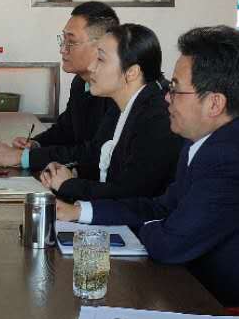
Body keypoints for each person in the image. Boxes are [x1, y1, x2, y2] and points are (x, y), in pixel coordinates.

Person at [76, 26, 239, 313]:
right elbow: (162, 208)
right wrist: (80, 211)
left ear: (214, 103)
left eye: (175, 89)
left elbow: (170, 244)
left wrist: (153, 225)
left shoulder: (232, 157)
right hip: (201, 292)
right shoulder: (207, 141)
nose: (167, 97)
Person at [38, 21, 183, 208]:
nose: (91, 67)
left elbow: (130, 194)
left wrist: (69, 185)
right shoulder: (119, 102)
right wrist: (65, 170)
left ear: (131, 72)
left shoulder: (157, 117)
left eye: (100, 59)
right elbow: (95, 153)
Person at [0, 2, 118, 171]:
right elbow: (65, 130)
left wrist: (23, 158)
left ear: (101, 46)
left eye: (71, 42)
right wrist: (35, 144)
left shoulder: (117, 91)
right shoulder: (80, 82)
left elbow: (94, 154)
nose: (62, 49)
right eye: (63, 40)